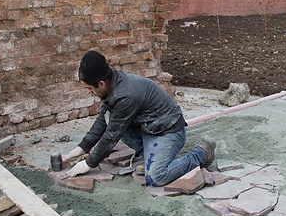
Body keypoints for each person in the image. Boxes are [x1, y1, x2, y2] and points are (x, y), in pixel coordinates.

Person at [63, 50, 216, 186]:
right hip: (149, 126)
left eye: (89, 88)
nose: (89, 92)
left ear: (101, 83)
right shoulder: (112, 84)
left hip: (168, 131)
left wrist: (88, 164)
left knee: (157, 177)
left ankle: (202, 152)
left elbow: (111, 136)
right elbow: (102, 121)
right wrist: (81, 148)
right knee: (109, 117)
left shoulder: (125, 95)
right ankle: (145, 154)